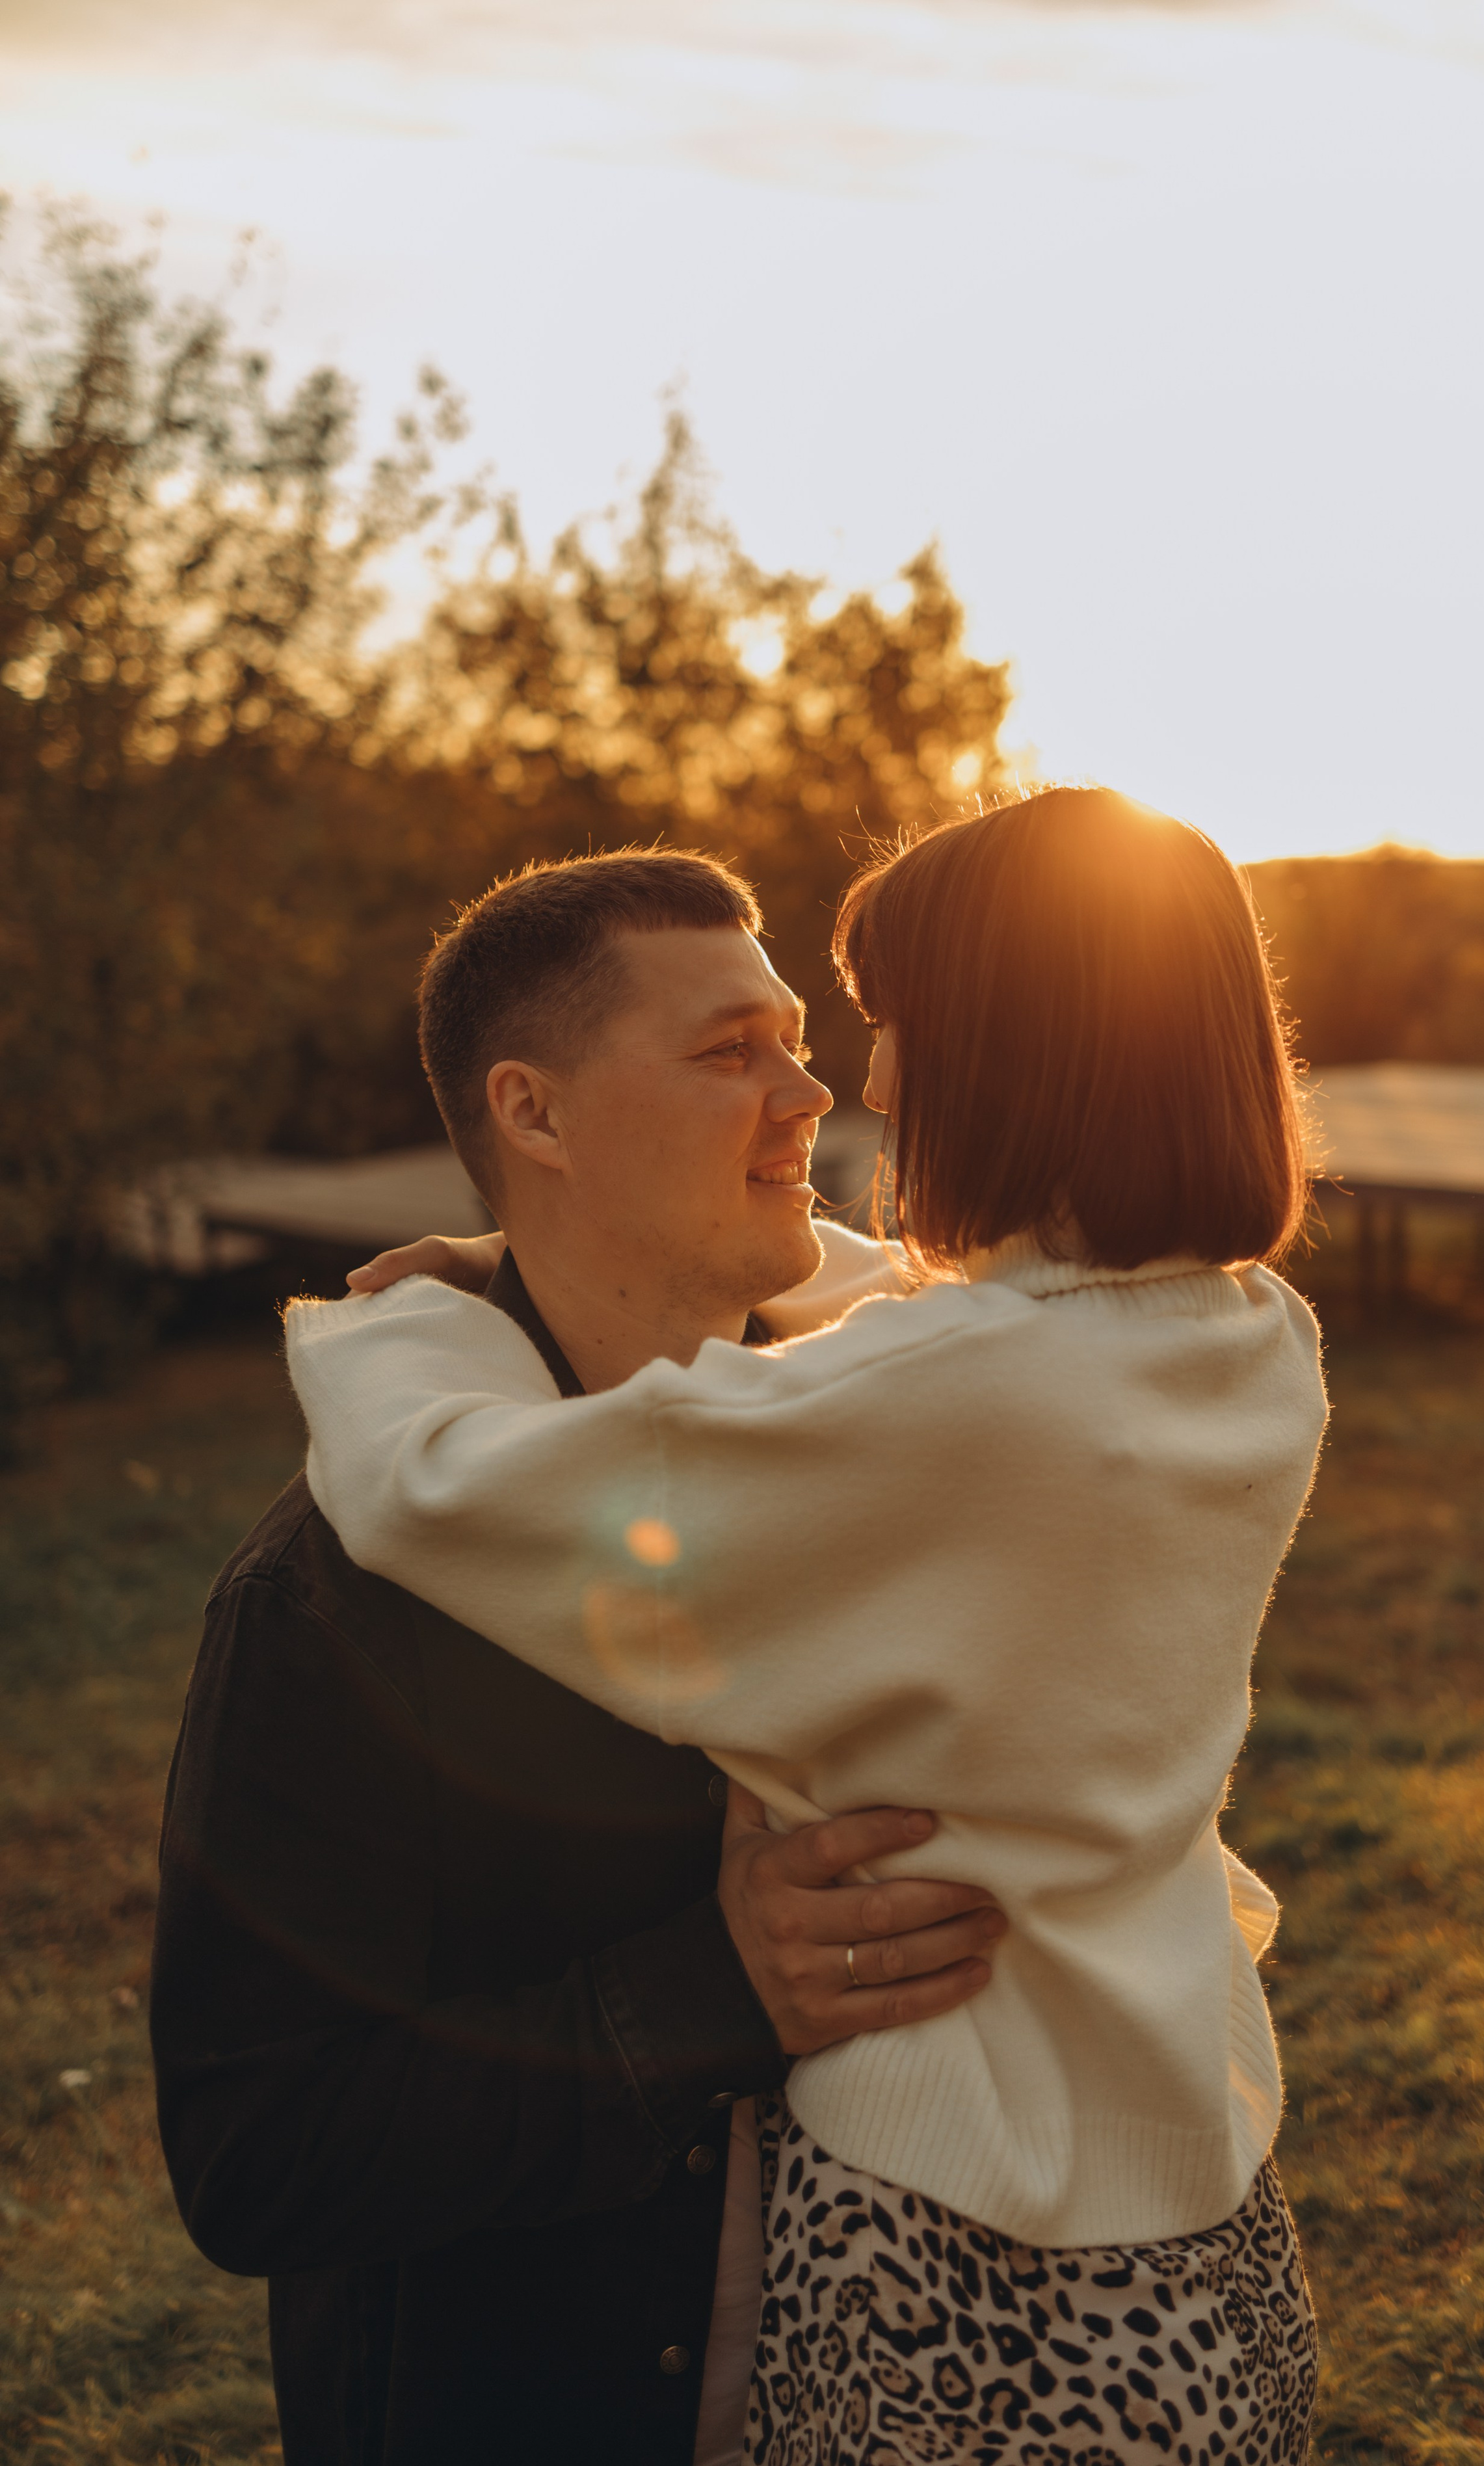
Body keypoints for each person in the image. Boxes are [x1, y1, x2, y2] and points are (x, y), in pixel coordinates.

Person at [287, 784, 1331, 2466]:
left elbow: (440, 1492)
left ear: (1016, 1049)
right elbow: (954, 1325)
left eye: (892, 1022)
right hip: (1195, 2191)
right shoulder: (1243, 1337)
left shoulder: (952, 1398)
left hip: (964, 2235)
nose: (873, 1077)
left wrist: (399, 1328)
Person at [148, 851, 1009, 2466]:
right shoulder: (336, 1593)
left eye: (797, 1039)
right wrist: (711, 1996)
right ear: (532, 1116)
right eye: (725, 1052)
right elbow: (257, 2152)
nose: (810, 1089)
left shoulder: (903, 1446)